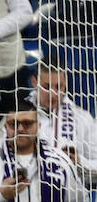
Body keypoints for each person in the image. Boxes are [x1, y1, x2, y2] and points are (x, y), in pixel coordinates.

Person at [29, 56, 97, 187]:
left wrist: (80, 162)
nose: (53, 93)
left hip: (71, 199)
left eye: (58, 87)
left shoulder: (82, 118)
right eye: (46, 86)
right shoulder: (18, 117)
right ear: (34, 82)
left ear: (66, 84)